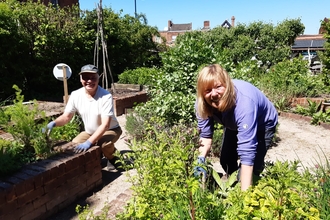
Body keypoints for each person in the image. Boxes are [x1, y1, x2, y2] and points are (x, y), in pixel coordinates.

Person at [195, 64, 278, 190]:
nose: (214, 94)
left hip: (263, 124)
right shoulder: (202, 104)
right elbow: (205, 137)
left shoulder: (244, 103)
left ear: (227, 85)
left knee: (252, 166)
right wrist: (200, 161)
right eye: (207, 90)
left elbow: (247, 152)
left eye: (218, 87)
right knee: (226, 161)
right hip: (234, 122)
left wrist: (244, 200)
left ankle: (248, 185)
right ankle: (236, 184)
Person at [44, 64, 122, 170]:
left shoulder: (105, 96)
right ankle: (96, 158)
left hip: (111, 130)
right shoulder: (76, 95)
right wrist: (53, 123)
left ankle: (114, 159)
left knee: (103, 143)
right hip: (90, 131)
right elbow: (66, 117)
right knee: (74, 145)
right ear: (81, 79)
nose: (89, 81)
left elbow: (105, 125)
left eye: (93, 77)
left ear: (98, 78)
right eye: (85, 77)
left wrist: (89, 142)